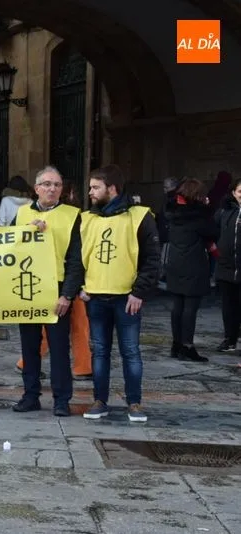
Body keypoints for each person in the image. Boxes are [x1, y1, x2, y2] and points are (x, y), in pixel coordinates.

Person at [80, 164, 160, 422]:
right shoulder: (86, 219)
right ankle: (99, 400)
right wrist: (81, 286)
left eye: (95, 187)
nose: (90, 192)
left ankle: (134, 403)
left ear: (111, 189)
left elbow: (151, 258)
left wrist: (139, 292)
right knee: (99, 352)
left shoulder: (139, 216)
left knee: (131, 351)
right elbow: (76, 256)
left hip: (127, 298)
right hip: (95, 296)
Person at [11, 166, 84, 417]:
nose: (52, 189)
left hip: (58, 289)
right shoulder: (21, 214)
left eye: (57, 185)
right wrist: (26, 232)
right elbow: (5, 247)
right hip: (27, 286)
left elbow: (77, 259)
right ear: (36, 188)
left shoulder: (73, 216)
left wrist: (68, 295)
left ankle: (62, 399)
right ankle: (30, 395)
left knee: (59, 346)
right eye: (47, 184)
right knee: (29, 345)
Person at [164, 179, 216, 362]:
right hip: (194, 263)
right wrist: (207, 209)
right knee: (190, 308)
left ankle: (176, 344)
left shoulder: (172, 213)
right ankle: (187, 346)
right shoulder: (198, 216)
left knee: (177, 305)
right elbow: (212, 231)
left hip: (175, 263)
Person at [215, 175, 241, 353]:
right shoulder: (225, 212)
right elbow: (212, 230)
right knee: (228, 307)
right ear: (233, 192)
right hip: (226, 266)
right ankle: (229, 339)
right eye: (240, 191)